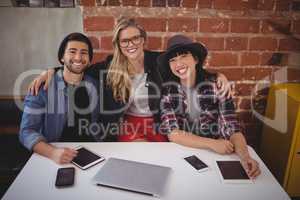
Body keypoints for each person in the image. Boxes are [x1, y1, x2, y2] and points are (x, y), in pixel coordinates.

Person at [28, 17, 232, 142]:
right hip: (127, 125)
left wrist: (216, 75)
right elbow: (79, 68)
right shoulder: (110, 66)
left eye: (136, 38)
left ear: (143, 39)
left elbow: (184, 62)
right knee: (141, 156)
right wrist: (52, 71)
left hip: (159, 123)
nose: (131, 44)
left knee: (163, 158)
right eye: (125, 40)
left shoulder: (159, 61)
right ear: (118, 44)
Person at [158, 35, 260, 178]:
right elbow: (173, 133)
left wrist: (245, 157)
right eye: (173, 60)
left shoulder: (217, 86)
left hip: (217, 155)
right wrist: (212, 143)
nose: (178, 64)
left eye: (183, 56)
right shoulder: (168, 90)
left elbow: (232, 127)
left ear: (196, 59)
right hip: (184, 152)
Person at [19, 33, 101, 164]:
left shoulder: (95, 85)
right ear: (62, 57)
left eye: (84, 53)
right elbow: (26, 131)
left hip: (91, 153)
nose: (78, 58)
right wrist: (52, 152)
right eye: (72, 51)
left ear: (89, 60)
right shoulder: (42, 87)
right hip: (54, 152)